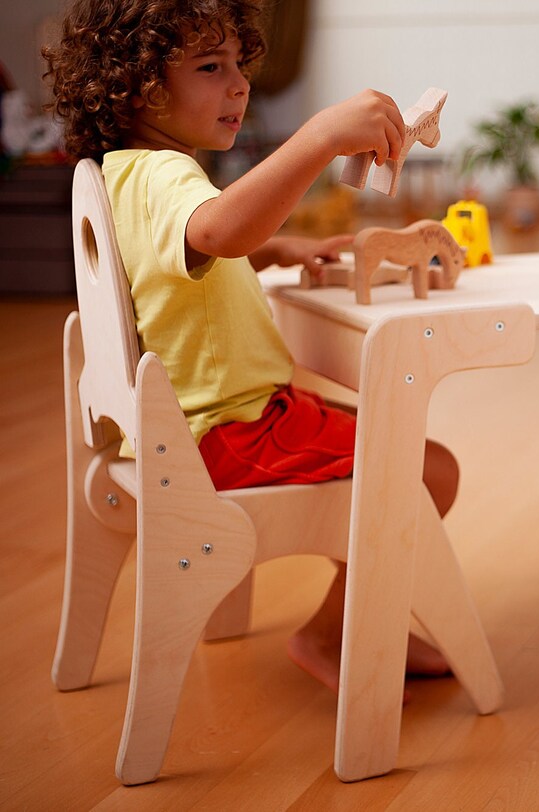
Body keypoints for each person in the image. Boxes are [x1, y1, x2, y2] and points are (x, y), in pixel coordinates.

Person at [44, 0, 453, 691]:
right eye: (210, 67)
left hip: (183, 432)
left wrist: (281, 249)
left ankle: (352, 617)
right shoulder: (169, 176)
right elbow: (219, 232)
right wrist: (319, 137)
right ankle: (334, 630)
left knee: (386, 446)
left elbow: (183, 263)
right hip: (230, 436)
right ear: (141, 86)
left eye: (240, 64)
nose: (238, 84)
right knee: (427, 468)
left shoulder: (122, 174)